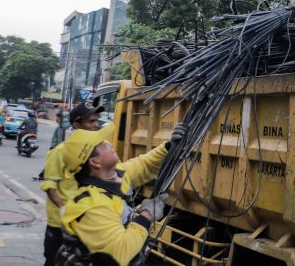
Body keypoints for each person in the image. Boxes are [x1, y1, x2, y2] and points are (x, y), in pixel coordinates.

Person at [56, 122, 186, 265]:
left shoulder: (116, 174)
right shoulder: (90, 207)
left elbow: (145, 164)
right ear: (95, 162)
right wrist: (147, 215)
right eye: (102, 144)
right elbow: (120, 254)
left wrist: (170, 146)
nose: (109, 143)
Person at [40, 101, 103, 266]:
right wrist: (64, 209)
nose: (96, 125)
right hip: (60, 225)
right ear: (76, 124)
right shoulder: (59, 152)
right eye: (91, 121)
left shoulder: (98, 152)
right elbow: (50, 187)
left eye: (97, 120)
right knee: (54, 261)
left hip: (86, 223)